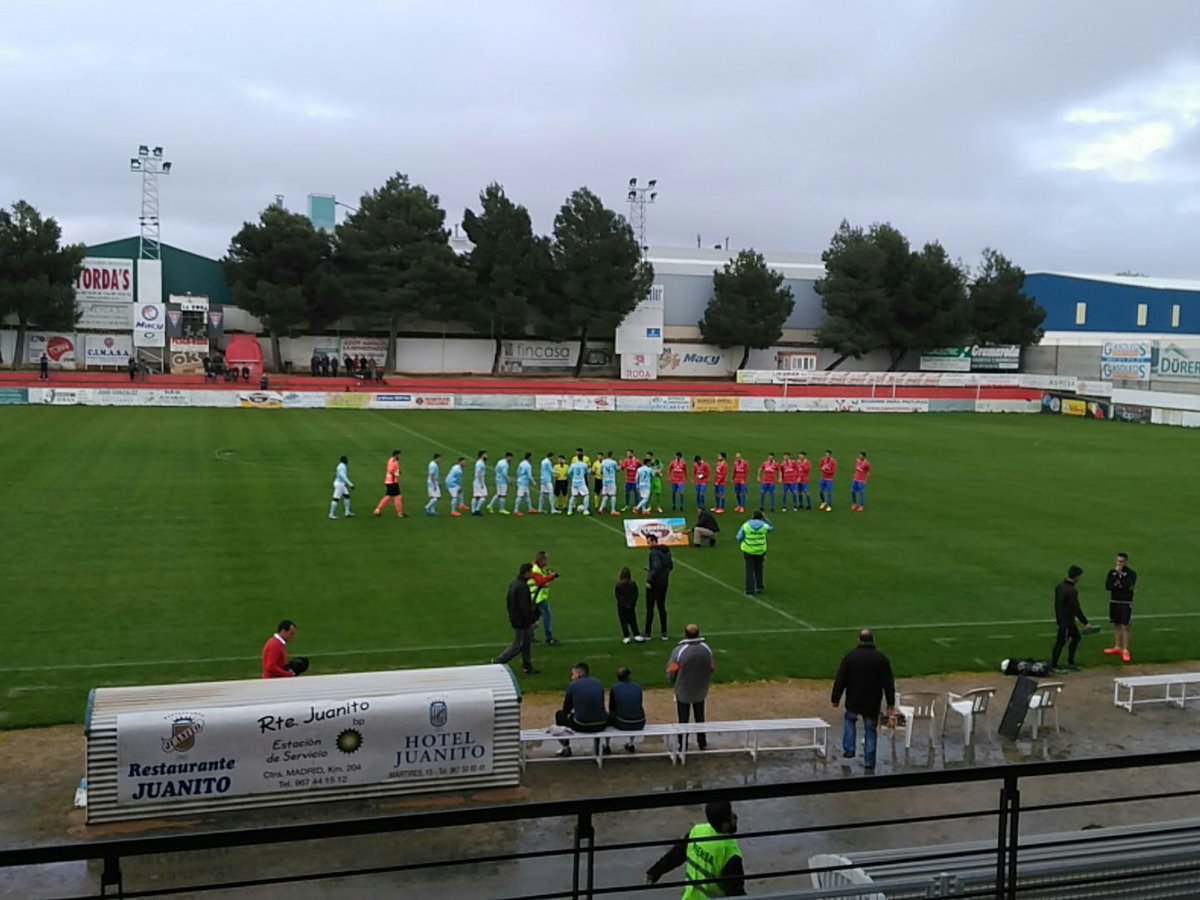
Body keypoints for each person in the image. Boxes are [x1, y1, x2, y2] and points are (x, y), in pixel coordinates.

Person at [645, 800, 746, 897]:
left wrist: (655, 871)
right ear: (725, 825)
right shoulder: (729, 852)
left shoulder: (697, 832)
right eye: (731, 815)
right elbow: (735, 892)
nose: (735, 816)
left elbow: (675, 856)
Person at [832, 629, 896, 773]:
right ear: (873, 640)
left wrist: (835, 698)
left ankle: (849, 748)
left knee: (849, 720)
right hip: (872, 702)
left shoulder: (850, 657)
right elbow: (888, 683)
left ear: (859, 640)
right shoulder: (881, 659)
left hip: (854, 700)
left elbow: (840, 679)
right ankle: (869, 761)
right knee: (870, 730)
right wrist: (890, 703)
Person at [667, 623, 714, 750]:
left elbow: (672, 671)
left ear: (685, 634)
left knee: (683, 719)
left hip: (683, 690)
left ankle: (682, 744)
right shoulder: (706, 649)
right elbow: (711, 668)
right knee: (700, 717)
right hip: (700, 689)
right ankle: (702, 742)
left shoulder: (679, 651)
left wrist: (674, 684)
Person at [492, 562, 540, 674]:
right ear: (527, 573)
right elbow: (525, 607)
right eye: (531, 572)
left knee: (526, 642)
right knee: (518, 645)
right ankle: (498, 661)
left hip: (516, 618)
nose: (533, 574)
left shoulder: (515, 583)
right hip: (521, 621)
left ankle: (527, 666)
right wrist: (532, 620)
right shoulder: (522, 587)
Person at [554, 662, 607, 757]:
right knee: (597, 714)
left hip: (582, 725)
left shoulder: (572, 686)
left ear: (579, 674)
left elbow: (566, 709)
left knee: (560, 715)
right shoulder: (598, 683)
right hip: (601, 724)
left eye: (573, 674)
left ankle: (565, 748)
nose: (572, 677)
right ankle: (597, 746)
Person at [1051, 565, 1088, 674]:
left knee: (1076, 637)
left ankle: (1070, 662)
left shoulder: (1060, 586)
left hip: (1064, 618)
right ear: (1076, 577)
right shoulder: (1071, 591)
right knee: (1061, 642)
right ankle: (1054, 664)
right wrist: (1085, 622)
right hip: (1066, 621)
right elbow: (1076, 607)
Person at [1104, 552, 1137, 663]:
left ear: (1126, 562)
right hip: (1114, 601)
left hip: (1125, 602)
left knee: (1125, 626)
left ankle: (1125, 649)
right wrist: (1117, 581)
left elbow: (1127, 586)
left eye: (1121, 561)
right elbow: (1108, 586)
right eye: (1118, 561)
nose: (1119, 563)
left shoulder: (1131, 574)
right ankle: (1117, 646)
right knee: (1116, 624)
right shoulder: (1112, 573)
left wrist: (1118, 583)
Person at [607, 666, 646, 753]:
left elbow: (611, 708)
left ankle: (607, 745)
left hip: (623, 722)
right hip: (639, 722)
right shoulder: (637, 687)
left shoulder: (615, 687)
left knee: (608, 716)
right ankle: (631, 743)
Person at [736, 510, 773, 595]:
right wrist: (766, 519)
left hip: (748, 550)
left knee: (749, 570)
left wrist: (744, 539)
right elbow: (771, 528)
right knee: (759, 569)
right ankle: (759, 587)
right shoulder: (764, 526)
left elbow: (738, 537)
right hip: (760, 550)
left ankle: (749, 589)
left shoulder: (746, 525)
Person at [645, 534, 674, 640]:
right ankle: (664, 633)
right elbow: (670, 566)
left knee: (650, 608)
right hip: (664, 582)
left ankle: (648, 633)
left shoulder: (654, 552)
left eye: (648, 542)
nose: (647, 545)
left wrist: (650, 579)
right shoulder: (667, 551)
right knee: (661, 607)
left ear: (653, 542)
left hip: (654, 584)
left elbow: (657, 566)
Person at [530, 550, 560, 645]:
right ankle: (549, 638)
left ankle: (530, 636)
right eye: (546, 559)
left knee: (533, 618)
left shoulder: (538, 568)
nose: (547, 561)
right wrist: (550, 577)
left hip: (536, 597)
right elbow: (540, 582)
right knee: (547, 616)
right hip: (538, 598)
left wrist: (549, 576)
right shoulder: (535, 570)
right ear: (542, 560)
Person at [615, 566, 643, 643]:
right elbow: (635, 594)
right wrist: (631, 603)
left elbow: (618, 597)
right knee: (632, 620)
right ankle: (636, 634)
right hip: (631, 606)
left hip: (622, 606)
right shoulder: (632, 584)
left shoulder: (618, 585)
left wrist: (625, 604)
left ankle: (626, 636)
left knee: (624, 621)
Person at [373, 450, 404, 518]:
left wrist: (397, 472)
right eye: (398, 455)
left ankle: (377, 510)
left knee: (388, 496)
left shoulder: (392, 460)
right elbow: (391, 471)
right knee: (397, 496)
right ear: (395, 455)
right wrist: (397, 474)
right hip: (392, 482)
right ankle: (399, 513)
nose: (399, 456)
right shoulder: (393, 461)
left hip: (390, 481)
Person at [328, 455, 354, 519]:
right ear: (344, 460)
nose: (347, 460)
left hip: (341, 484)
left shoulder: (342, 466)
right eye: (346, 459)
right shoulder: (342, 467)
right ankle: (331, 514)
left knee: (347, 496)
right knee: (336, 498)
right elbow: (343, 476)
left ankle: (347, 512)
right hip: (339, 484)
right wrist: (350, 484)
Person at [567, 451, 591, 516]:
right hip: (581, 482)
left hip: (574, 482)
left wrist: (572, 477)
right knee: (586, 495)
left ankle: (569, 510)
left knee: (573, 496)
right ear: (582, 458)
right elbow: (586, 472)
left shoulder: (573, 465)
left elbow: (569, 473)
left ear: (577, 457)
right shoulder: (584, 465)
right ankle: (585, 510)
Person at [598, 450, 620, 516]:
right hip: (611, 481)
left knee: (606, 495)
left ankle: (600, 509)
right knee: (613, 495)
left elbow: (601, 471)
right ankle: (613, 510)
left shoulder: (603, 462)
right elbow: (618, 469)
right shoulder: (614, 462)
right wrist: (621, 465)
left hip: (605, 481)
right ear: (612, 455)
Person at [513, 452, 534, 516]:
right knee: (519, 496)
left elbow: (517, 471)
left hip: (521, 481)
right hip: (523, 483)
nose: (532, 458)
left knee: (527, 495)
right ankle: (516, 510)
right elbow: (529, 475)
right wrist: (533, 481)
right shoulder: (528, 465)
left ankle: (530, 508)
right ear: (529, 457)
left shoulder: (521, 463)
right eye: (531, 457)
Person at [471, 450, 489, 516]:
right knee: (484, 496)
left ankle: (473, 511)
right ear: (482, 455)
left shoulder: (480, 462)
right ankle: (477, 510)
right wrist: (481, 483)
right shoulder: (480, 463)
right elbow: (478, 473)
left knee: (476, 496)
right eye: (485, 455)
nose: (487, 456)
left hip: (476, 481)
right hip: (479, 482)